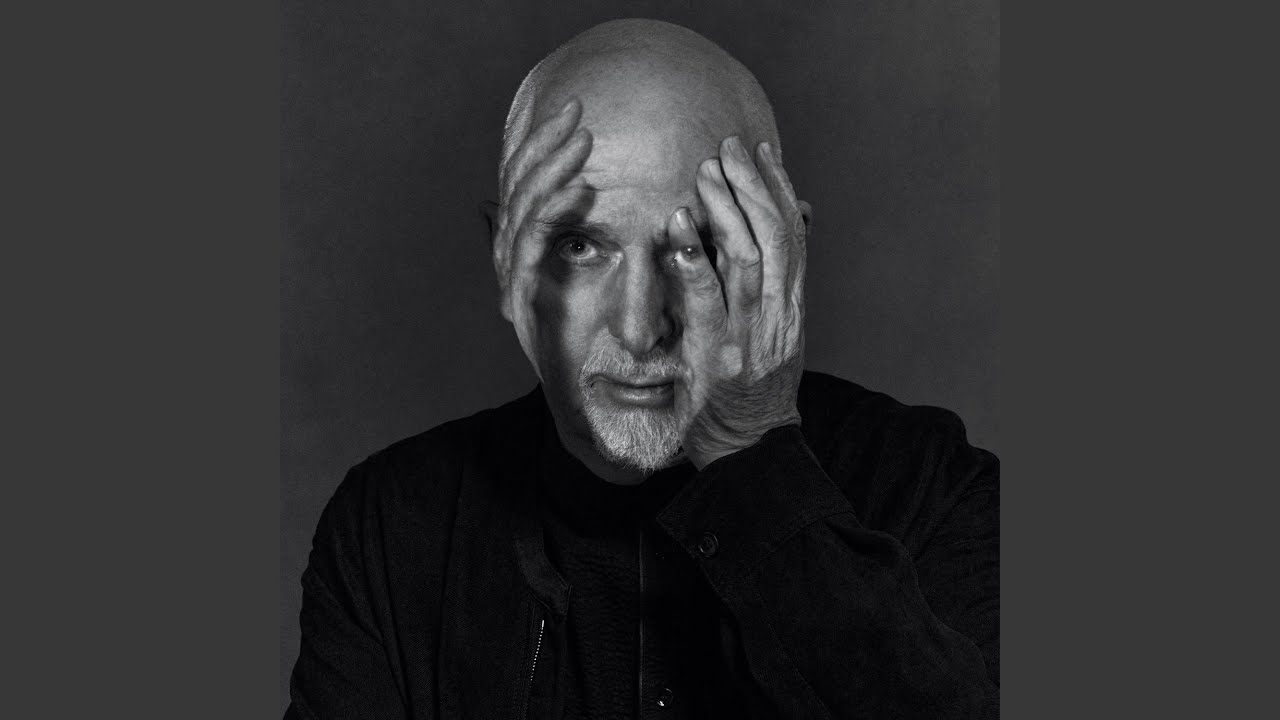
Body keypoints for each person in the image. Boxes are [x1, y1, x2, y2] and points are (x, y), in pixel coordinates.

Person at [286, 18, 998, 720]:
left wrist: (750, 453)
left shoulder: (931, 487)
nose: (640, 327)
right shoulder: (390, 531)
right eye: (580, 247)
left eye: (697, 249)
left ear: (786, 252)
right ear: (506, 260)